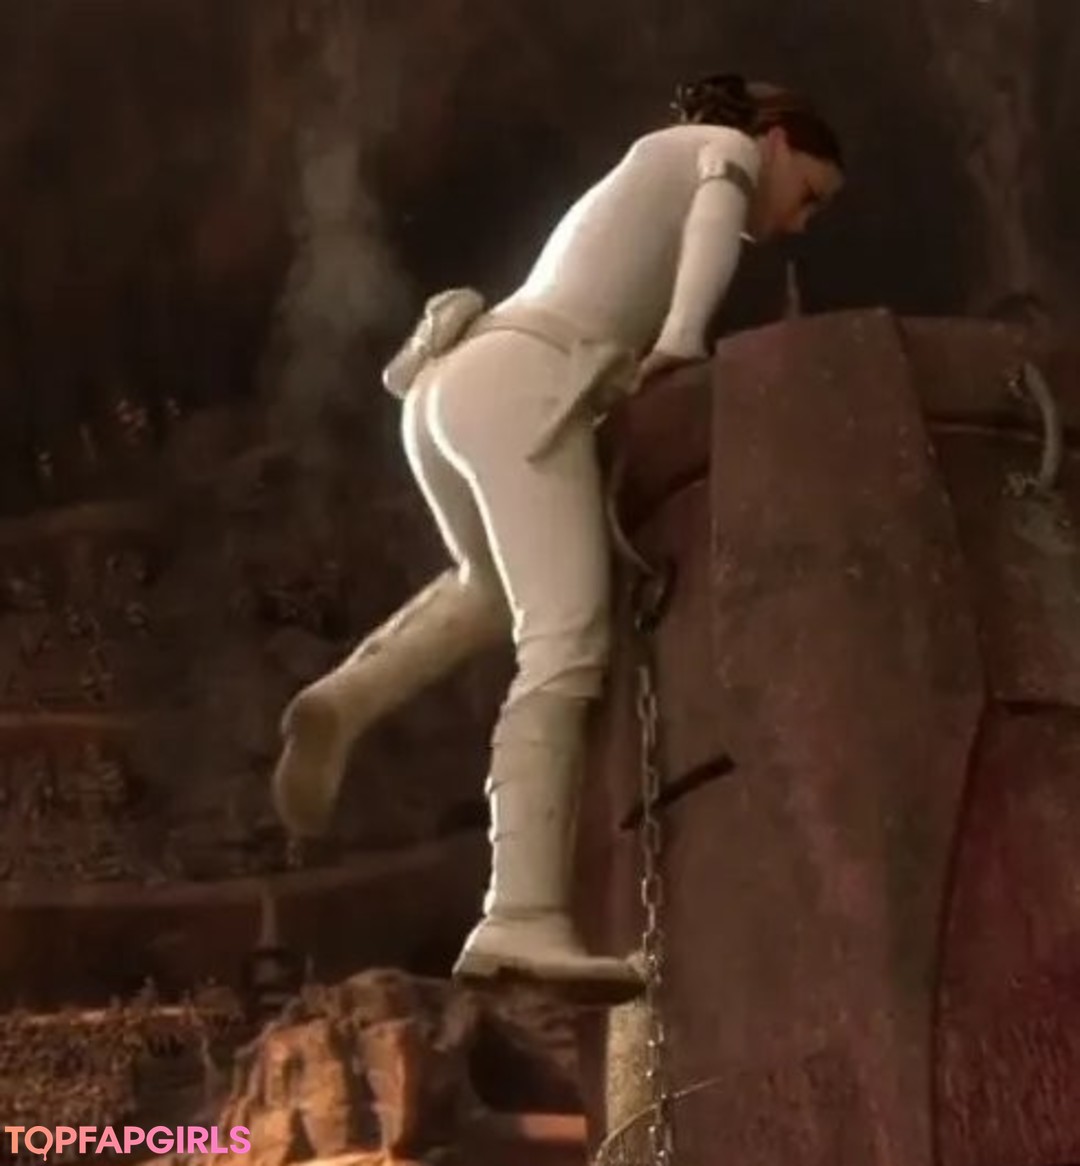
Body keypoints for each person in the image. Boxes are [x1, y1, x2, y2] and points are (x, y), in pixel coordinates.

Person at [271, 73, 845, 1004]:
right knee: (567, 640)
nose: (799, 222)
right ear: (777, 139)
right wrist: (681, 339)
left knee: (486, 587)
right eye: (809, 194)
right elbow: (714, 223)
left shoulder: (639, 171)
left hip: (451, 384)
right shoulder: (724, 151)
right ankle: (521, 916)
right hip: (524, 381)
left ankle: (342, 701)